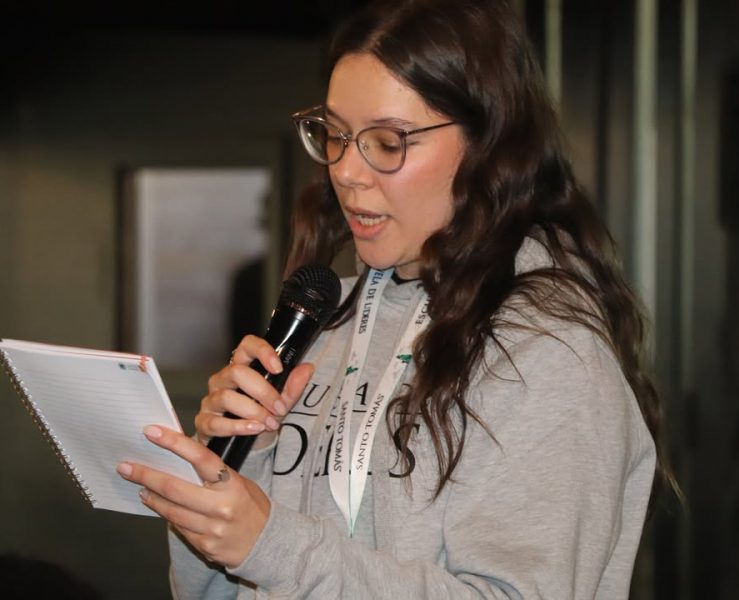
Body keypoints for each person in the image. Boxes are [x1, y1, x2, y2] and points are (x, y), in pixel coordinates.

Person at [117, 0, 677, 597]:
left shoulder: (547, 352)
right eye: (336, 135)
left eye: (387, 142)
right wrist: (233, 468)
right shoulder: (329, 325)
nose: (346, 171)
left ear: (487, 145)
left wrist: (273, 543)